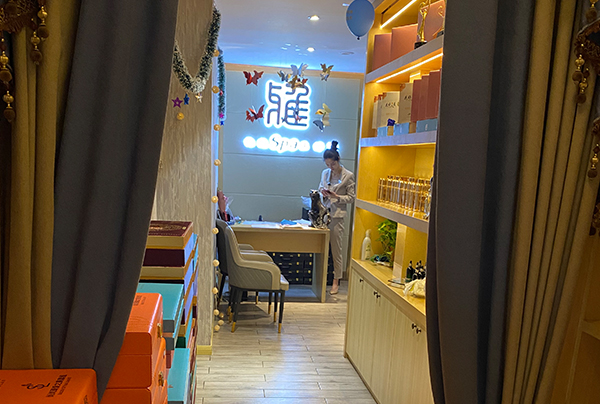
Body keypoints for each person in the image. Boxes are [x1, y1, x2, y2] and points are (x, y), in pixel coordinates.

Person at [318, 141, 356, 295]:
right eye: (327, 164)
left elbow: (351, 198)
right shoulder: (325, 173)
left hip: (337, 216)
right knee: (321, 247)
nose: (330, 167)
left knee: (336, 249)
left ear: (338, 160)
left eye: (332, 164)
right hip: (324, 214)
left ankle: (336, 280)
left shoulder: (348, 176)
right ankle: (320, 280)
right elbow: (320, 188)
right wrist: (323, 193)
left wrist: (337, 196)